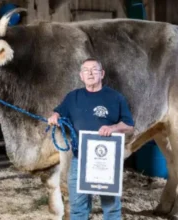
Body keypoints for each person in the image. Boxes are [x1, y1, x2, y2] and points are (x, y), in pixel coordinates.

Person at [48, 58, 135, 220]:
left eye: (94, 69)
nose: (90, 73)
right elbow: (59, 112)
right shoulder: (73, 97)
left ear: (102, 74)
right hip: (79, 159)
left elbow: (129, 125)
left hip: (107, 160)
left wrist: (113, 128)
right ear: (81, 76)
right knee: (78, 208)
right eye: (86, 70)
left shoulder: (115, 98)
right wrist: (54, 116)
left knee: (111, 208)